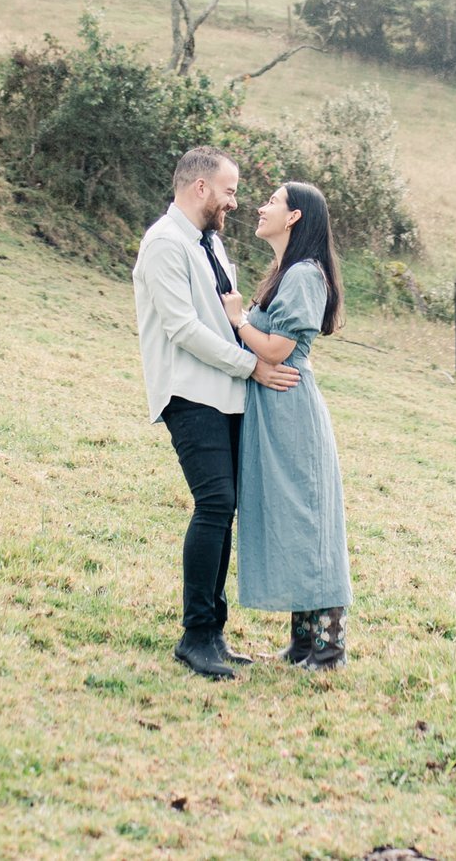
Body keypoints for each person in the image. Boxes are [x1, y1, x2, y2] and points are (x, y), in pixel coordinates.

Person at [132, 146, 300, 680]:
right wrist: (251, 366)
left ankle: (214, 633)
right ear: (200, 187)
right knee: (214, 503)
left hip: (224, 392)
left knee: (222, 509)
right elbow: (183, 329)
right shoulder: (163, 244)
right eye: (228, 191)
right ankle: (195, 635)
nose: (234, 202)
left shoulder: (211, 244)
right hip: (189, 392)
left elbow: (227, 315)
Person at [225, 180, 353, 669]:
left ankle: (328, 646)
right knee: (292, 517)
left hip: (291, 407)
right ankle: (304, 641)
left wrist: (238, 321)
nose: (261, 207)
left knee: (309, 517)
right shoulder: (286, 272)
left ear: (295, 217)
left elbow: (277, 349)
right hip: (272, 407)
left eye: (272, 202)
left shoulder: (304, 274)